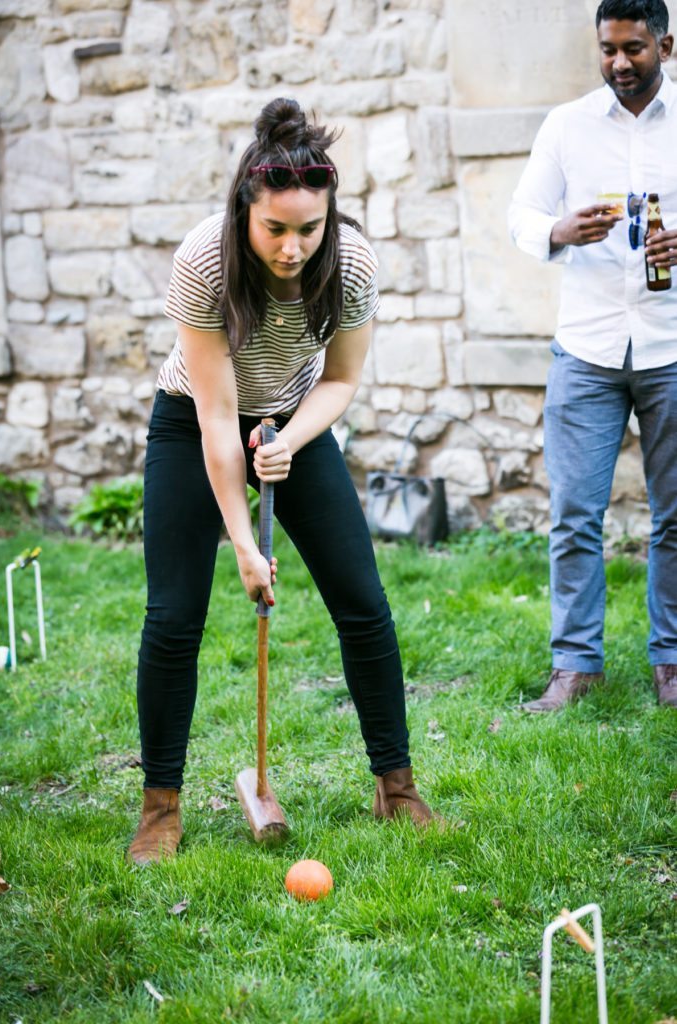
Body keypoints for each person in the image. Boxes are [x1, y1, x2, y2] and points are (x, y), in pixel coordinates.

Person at [127, 98, 437, 865]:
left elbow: (340, 378)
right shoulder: (205, 261)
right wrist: (243, 542)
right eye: (276, 229)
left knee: (362, 603)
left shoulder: (353, 262)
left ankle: (394, 786)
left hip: (294, 416)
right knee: (173, 616)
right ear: (245, 212)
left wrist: (291, 440)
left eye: (310, 227)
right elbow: (216, 415)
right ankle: (159, 806)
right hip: (192, 419)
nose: (294, 246)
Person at [508, 0, 677, 713]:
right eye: (606, 49)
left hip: (671, 347)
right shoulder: (566, 125)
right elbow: (520, 215)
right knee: (573, 513)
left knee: (675, 516)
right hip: (585, 346)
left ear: (664, 45)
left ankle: (670, 661)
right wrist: (559, 227)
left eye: (633, 49)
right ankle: (576, 665)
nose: (617, 63)